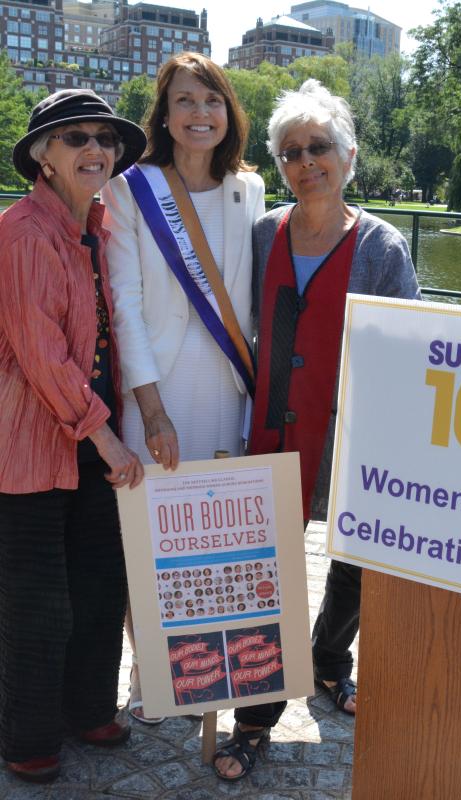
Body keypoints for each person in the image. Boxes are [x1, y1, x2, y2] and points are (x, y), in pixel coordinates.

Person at [212, 79, 420, 781]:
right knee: (265, 572)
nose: (306, 162)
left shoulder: (382, 247)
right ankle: (254, 718)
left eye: (319, 147)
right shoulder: (264, 231)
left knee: (356, 562)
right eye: (291, 152)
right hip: (271, 428)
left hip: (354, 435)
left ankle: (330, 661)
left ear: (348, 154)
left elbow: (413, 348)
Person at [102, 52, 265, 724]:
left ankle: (202, 671)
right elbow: (126, 304)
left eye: (213, 101)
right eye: (187, 102)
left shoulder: (249, 190)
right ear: (164, 117)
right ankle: (148, 672)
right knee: (149, 536)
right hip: (155, 391)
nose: (202, 114)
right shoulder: (128, 187)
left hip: (224, 385)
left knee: (211, 538)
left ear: (230, 114)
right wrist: (152, 408)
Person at [0, 89, 147, 783]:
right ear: (43, 159)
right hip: (33, 445)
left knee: (100, 582)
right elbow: (41, 353)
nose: (96, 148)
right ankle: (27, 734)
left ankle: (86, 705)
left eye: (106, 138)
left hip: (91, 438)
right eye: (76, 138)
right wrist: (108, 438)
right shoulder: (23, 233)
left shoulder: (103, 226)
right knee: (37, 602)